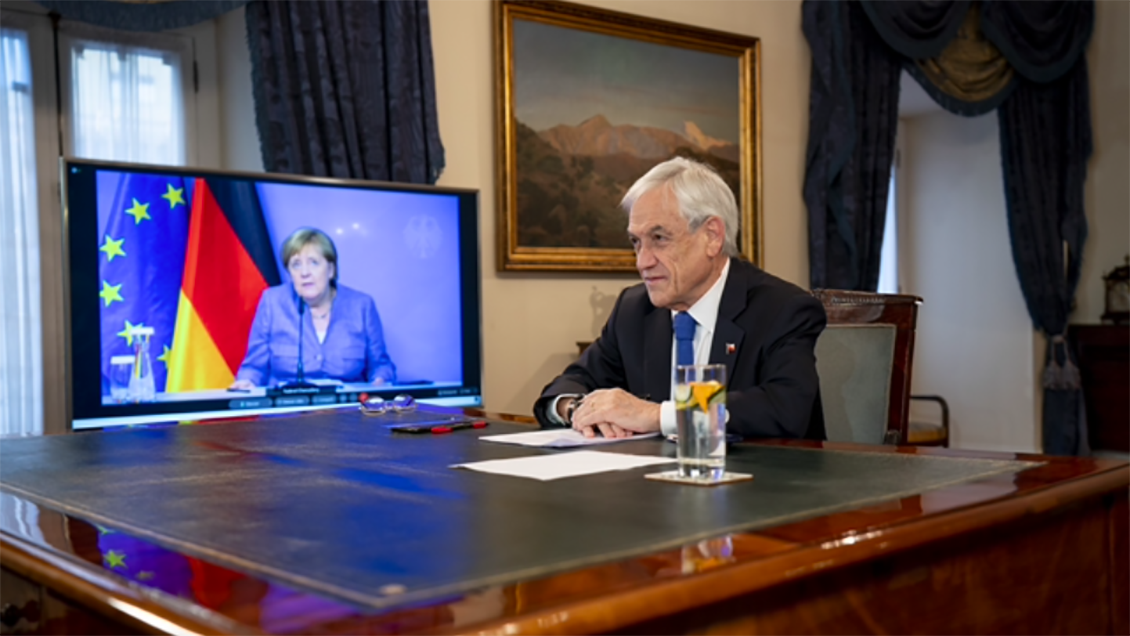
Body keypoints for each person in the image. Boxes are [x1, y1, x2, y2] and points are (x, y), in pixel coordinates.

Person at [534, 157, 826, 440]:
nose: (642, 262)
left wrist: (657, 416)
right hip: (654, 483)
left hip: (761, 483)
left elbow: (784, 408)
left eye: (659, 238)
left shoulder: (782, 309)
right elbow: (567, 385)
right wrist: (577, 410)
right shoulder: (634, 310)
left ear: (712, 236)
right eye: (636, 242)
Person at [231, 228, 396, 389]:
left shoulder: (362, 306)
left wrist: (380, 382)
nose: (304, 272)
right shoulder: (272, 303)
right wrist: (247, 382)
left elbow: (380, 366)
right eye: (296, 264)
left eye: (313, 263)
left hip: (346, 411)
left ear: (331, 269)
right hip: (287, 412)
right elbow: (254, 367)